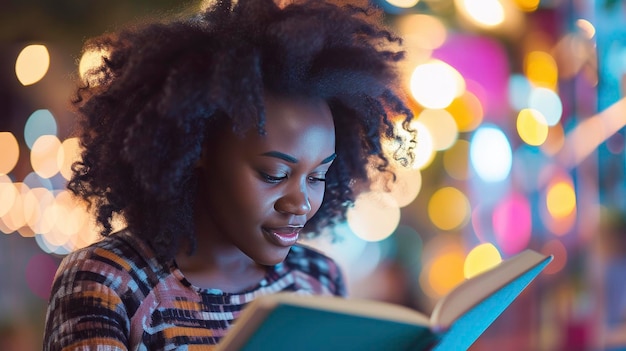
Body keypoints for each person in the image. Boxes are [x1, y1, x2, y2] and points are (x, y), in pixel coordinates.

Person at [43, 0, 415, 349]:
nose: (300, 202)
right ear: (198, 147)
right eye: (274, 173)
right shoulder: (109, 282)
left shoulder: (316, 281)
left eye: (318, 176)